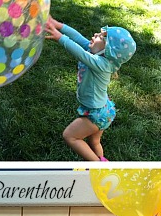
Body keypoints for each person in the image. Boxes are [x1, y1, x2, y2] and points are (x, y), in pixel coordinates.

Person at [45, 15, 136, 161]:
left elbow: (79, 52)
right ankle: (102, 160)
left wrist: (60, 37)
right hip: (104, 108)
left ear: (108, 51)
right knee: (94, 141)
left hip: (96, 113)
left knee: (70, 136)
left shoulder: (102, 64)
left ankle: (97, 168)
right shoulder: (98, 54)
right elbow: (78, 37)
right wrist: (58, 25)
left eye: (102, 37)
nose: (96, 35)